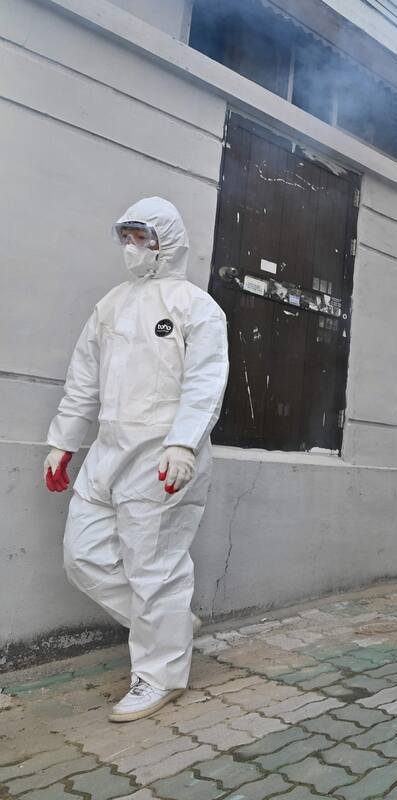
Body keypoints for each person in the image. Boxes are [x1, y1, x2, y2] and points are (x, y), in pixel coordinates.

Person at [44, 198, 229, 721]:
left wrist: (183, 443)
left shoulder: (196, 306)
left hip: (163, 454)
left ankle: (160, 677)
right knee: (82, 557)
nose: (131, 248)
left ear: (165, 241)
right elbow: (83, 379)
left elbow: (205, 382)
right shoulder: (111, 305)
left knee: (154, 567)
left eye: (140, 237)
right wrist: (64, 442)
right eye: (124, 237)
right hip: (107, 450)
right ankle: (171, 626)